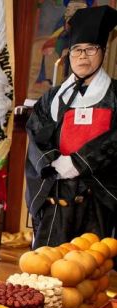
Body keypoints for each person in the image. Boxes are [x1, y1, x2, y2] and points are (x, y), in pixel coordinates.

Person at [26, 5, 117, 247]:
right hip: (56, 194)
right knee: (48, 266)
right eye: (77, 50)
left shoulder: (115, 94)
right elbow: (36, 133)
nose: (83, 57)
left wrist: (79, 162)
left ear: (103, 52)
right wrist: (52, 162)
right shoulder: (52, 96)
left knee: (90, 268)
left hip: (97, 198)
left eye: (90, 49)